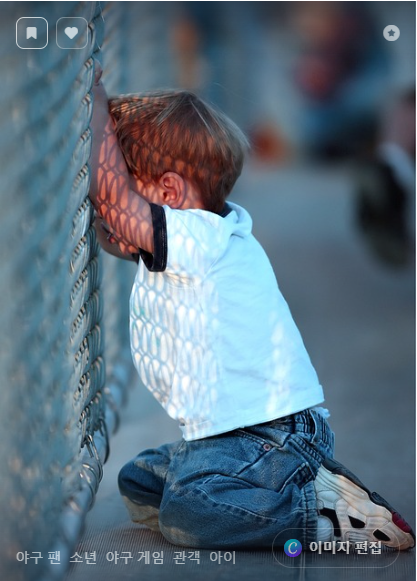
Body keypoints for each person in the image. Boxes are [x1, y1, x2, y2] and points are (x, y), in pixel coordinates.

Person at [89, 62, 415, 551]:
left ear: (170, 191)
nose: (109, 211)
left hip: (270, 437)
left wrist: (94, 110)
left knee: (188, 517)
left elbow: (118, 208)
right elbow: (118, 228)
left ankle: (317, 511)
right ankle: (273, 486)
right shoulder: (194, 231)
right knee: (139, 480)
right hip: (237, 437)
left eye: (129, 186)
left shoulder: (196, 237)